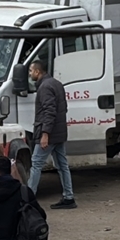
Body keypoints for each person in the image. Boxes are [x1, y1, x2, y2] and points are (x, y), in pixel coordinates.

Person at [27, 60, 76, 209]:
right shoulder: (56, 84)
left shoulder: (45, 87)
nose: (29, 74)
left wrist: (45, 134)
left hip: (50, 134)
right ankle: (69, 197)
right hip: (59, 132)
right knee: (62, 165)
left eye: (31, 71)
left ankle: (28, 199)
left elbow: (49, 112)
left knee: (36, 163)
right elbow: (63, 108)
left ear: (37, 72)